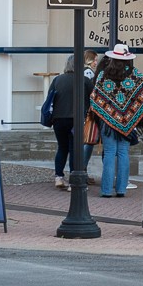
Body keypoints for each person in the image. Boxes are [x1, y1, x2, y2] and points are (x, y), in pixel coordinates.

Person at [89, 44, 143, 198]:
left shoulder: (102, 75)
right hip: (128, 121)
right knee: (123, 153)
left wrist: (106, 112)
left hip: (107, 122)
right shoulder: (135, 75)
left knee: (109, 154)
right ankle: (121, 189)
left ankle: (106, 190)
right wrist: (135, 113)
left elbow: (94, 99)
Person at [45, 54, 94, 188]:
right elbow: (93, 99)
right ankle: (74, 181)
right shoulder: (84, 80)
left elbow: (50, 99)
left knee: (62, 147)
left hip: (58, 119)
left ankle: (59, 177)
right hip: (76, 120)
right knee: (75, 150)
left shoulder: (57, 80)